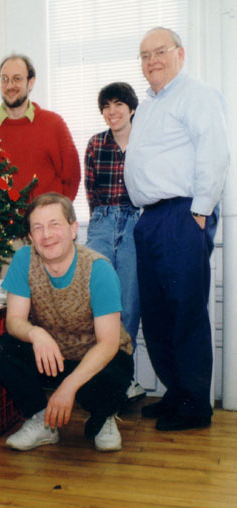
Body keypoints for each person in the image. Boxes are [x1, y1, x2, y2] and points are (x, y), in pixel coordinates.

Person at [124, 27, 230, 431]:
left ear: (180, 55)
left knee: (185, 311)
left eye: (160, 52)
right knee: (157, 314)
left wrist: (200, 211)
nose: (152, 61)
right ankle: (178, 391)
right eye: (145, 55)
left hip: (182, 215)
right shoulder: (150, 106)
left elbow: (215, 152)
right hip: (151, 219)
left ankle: (195, 405)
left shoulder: (196, 95)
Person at [0, 193, 133, 453]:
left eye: (54, 225)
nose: (47, 235)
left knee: (114, 371)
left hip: (97, 357)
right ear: (30, 237)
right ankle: (41, 421)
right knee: (2, 348)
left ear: (73, 229)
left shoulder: (98, 268)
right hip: (53, 355)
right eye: (38, 228)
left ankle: (104, 417)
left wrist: (68, 388)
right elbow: (14, 321)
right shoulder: (24, 260)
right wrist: (36, 334)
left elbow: (108, 344)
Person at [84, 82, 145, 402]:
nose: (112, 111)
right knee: (99, 300)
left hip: (136, 222)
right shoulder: (96, 144)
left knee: (129, 303)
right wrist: (102, 222)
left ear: (132, 108)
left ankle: (123, 377)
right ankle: (97, 375)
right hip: (103, 222)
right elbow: (91, 191)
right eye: (106, 106)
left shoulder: (146, 141)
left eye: (119, 104)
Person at [0, 54, 80, 200]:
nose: (9, 86)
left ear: (31, 82)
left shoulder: (54, 124)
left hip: (45, 214)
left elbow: (72, 177)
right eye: (4, 79)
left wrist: (56, 211)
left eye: (17, 79)